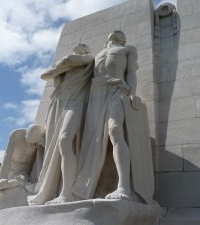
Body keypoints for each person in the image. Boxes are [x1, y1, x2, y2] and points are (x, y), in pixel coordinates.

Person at [73, 30, 154, 203]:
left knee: (115, 130)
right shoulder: (97, 55)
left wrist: (133, 93)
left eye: (121, 32)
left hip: (117, 90)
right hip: (95, 96)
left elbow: (131, 72)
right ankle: (84, 188)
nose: (117, 31)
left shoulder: (128, 49)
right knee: (91, 140)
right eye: (114, 31)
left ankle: (123, 187)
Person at [28, 43, 94, 205]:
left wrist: (63, 64)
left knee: (65, 140)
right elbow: (45, 75)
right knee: (54, 147)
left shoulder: (87, 60)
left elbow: (77, 59)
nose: (78, 46)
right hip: (57, 105)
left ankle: (66, 193)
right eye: (76, 47)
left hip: (76, 103)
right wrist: (62, 66)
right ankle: (53, 190)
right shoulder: (67, 66)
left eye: (82, 47)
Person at [0, 124, 45, 203]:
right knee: (2, 185)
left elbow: (40, 160)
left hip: (24, 172)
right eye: (28, 140)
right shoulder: (16, 135)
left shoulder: (38, 141)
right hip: (11, 169)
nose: (30, 144)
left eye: (33, 143)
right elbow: (7, 157)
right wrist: (1, 177)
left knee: (20, 181)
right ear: (26, 134)